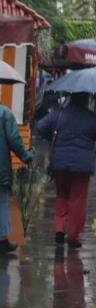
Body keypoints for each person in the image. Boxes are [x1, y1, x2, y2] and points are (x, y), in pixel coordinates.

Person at [37, 93, 96, 249]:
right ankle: (73, 237)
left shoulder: (59, 114)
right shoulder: (91, 118)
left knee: (61, 195)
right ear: (86, 100)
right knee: (78, 201)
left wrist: (54, 137)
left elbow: (40, 127)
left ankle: (59, 230)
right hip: (81, 167)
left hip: (60, 164)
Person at [0, 105, 33, 254]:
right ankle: (2, 241)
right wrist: (26, 157)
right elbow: (14, 140)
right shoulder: (4, 114)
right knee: (1, 202)